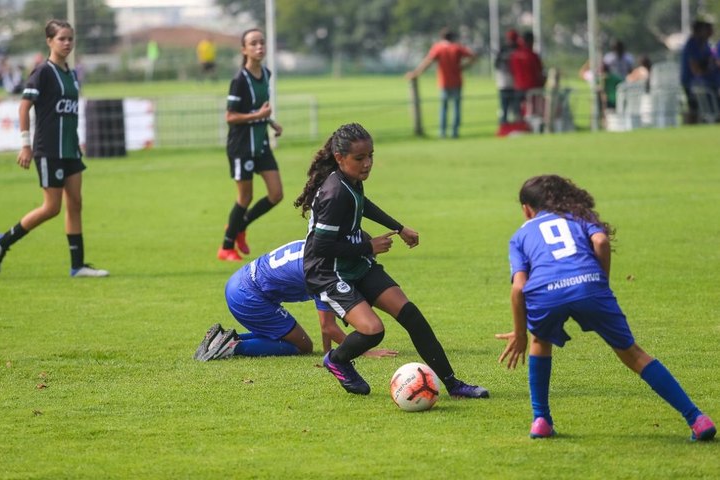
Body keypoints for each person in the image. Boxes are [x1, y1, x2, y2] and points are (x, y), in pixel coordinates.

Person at [496, 174, 716, 441]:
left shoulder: (520, 235)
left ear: (527, 209)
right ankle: (697, 419)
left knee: (540, 341)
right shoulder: (579, 215)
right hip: (589, 284)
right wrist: (600, 284)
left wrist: (520, 334)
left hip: (546, 293)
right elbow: (600, 242)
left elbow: (518, 288)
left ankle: (540, 420)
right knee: (633, 354)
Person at [294, 122, 489, 399]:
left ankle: (453, 384)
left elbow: (362, 205)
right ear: (339, 158)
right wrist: (368, 246)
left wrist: (399, 227)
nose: (367, 164)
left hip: (356, 264)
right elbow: (321, 247)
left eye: (370, 156)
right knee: (373, 331)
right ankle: (336, 360)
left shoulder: (351, 181)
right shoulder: (334, 193)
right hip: (328, 273)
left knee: (411, 315)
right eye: (360, 158)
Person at [0, 19, 108, 278]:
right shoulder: (43, 72)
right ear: (49, 41)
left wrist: (75, 141)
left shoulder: (71, 74)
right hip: (49, 150)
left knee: (75, 203)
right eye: (61, 38)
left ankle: (77, 266)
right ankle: (2, 241)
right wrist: (25, 144)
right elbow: (24, 107)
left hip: (70, 149)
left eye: (70, 38)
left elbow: (67, 113)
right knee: (52, 207)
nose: (67, 43)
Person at [194, 239, 398, 361]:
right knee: (302, 346)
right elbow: (328, 326)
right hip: (249, 295)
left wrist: (328, 352)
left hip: (240, 282)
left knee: (288, 338)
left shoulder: (321, 246)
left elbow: (327, 323)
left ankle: (222, 339)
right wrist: (363, 351)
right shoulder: (324, 271)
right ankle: (233, 346)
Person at [218, 28, 283, 262]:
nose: (259, 47)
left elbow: (259, 108)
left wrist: (271, 122)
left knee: (276, 194)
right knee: (245, 197)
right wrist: (259, 116)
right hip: (242, 147)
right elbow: (230, 116)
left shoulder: (266, 73)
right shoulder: (239, 80)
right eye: (253, 43)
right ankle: (226, 247)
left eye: (261, 42)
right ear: (244, 50)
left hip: (261, 144)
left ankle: (240, 226)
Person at [405, 27, 477, 138]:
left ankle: (442, 132)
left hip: (444, 82)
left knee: (444, 108)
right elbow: (473, 56)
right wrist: (464, 66)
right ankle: (454, 132)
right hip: (457, 82)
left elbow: (428, 61)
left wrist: (416, 73)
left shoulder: (438, 47)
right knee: (456, 108)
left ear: (442, 37)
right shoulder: (457, 47)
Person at [680, 20, 717, 122]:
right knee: (694, 108)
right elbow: (695, 69)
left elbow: (711, 60)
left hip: (705, 81)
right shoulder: (692, 44)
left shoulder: (706, 44)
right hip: (691, 81)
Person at [510, 31, 545, 115]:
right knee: (534, 114)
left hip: (519, 88)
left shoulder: (515, 55)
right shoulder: (533, 56)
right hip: (533, 89)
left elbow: (512, 71)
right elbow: (539, 72)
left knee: (519, 114)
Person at [494, 29, 520, 125]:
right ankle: (509, 124)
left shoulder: (504, 50)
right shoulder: (517, 49)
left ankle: (506, 124)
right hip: (512, 82)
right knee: (512, 108)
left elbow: (496, 65)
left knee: (508, 107)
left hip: (506, 83)